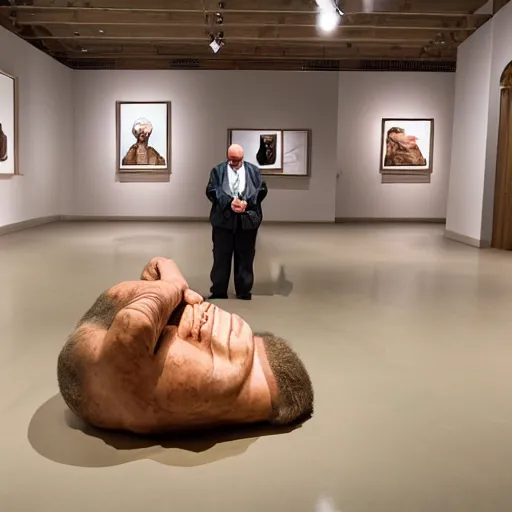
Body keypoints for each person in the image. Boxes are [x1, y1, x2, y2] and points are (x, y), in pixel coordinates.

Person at [57, 257, 313, 436]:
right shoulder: (159, 319)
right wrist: (166, 279)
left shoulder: (135, 334)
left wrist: (169, 285)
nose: (202, 310)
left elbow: (131, 328)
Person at [206, 144, 268, 300]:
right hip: (223, 221)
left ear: (243, 157)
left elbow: (261, 190)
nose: (234, 163)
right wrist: (229, 202)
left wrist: (247, 202)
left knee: (245, 255)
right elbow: (211, 190)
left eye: (237, 160)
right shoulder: (217, 171)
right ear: (228, 157)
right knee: (221, 256)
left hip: (246, 221)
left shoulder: (254, 171)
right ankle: (219, 291)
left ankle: (244, 290)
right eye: (231, 160)